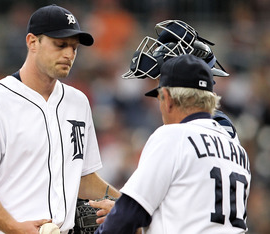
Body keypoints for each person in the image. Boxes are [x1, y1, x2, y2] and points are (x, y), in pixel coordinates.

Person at [0, 4, 120, 234]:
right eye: (60, 45)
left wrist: (128, 205)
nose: (68, 54)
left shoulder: (78, 102)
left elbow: (83, 178)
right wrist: (14, 227)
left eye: (74, 48)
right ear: (32, 42)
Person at [93, 54, 251, 233]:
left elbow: (127, 216)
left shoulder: (174, 135)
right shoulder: (238, 150)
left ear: (167, 99)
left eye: (159, 98)